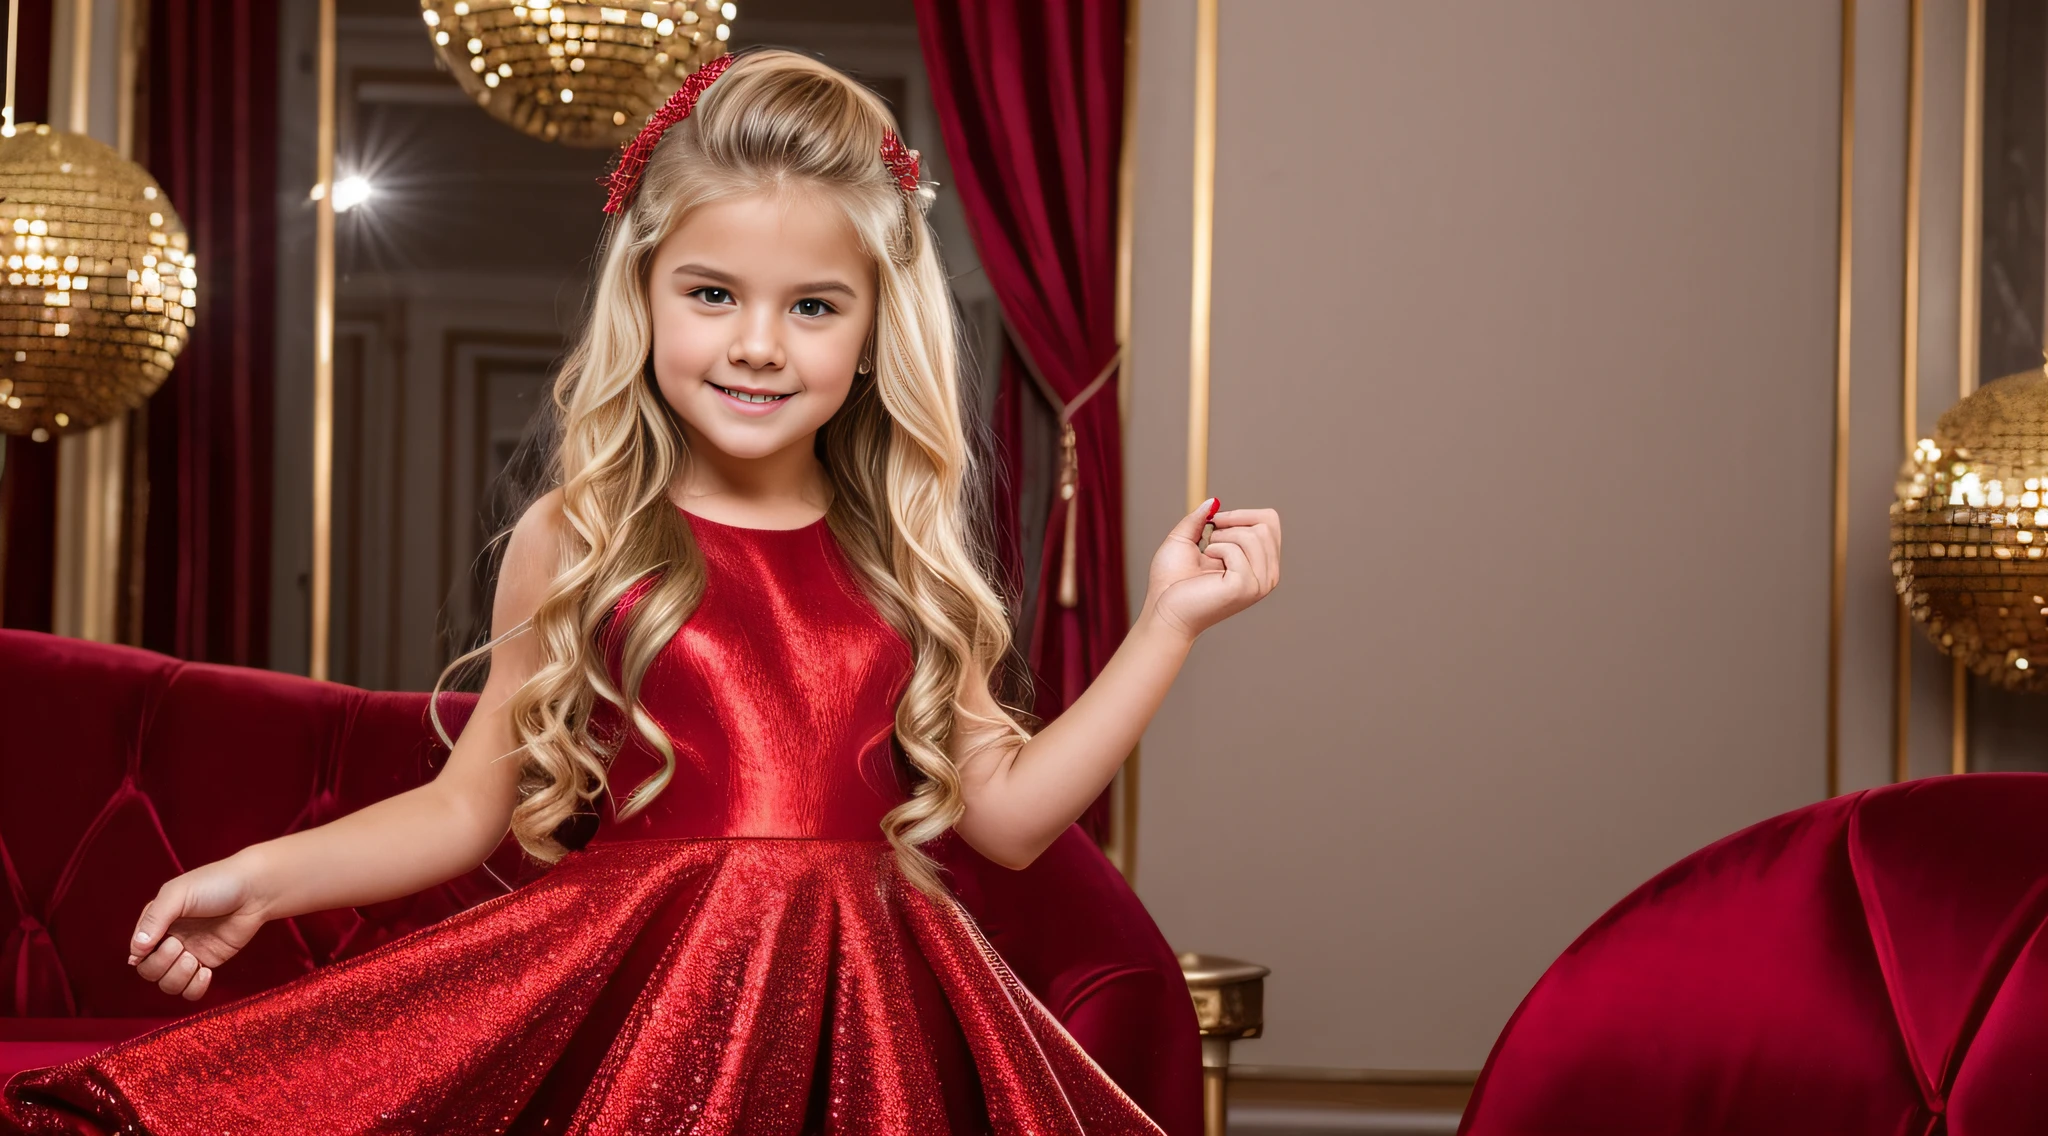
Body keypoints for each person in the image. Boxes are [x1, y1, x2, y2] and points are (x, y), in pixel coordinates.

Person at [2, 48, 1281, 1135]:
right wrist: (265, 877)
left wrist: (1165, 622)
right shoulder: (582, 531)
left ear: (875, 330)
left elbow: (1004, 820)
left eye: (813, 306)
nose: (758, 343)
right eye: (713, 294)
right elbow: (466, 806)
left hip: (868, 1010)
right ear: (648, 294)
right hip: (646, 994)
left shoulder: (900, 548)